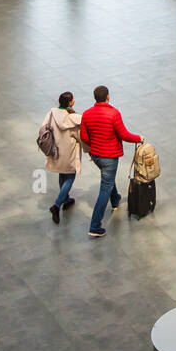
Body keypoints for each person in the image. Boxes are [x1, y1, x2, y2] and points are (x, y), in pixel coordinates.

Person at [78, 85, 144, 238]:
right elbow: (124, 135)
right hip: (109, 156)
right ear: (108, 96)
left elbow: (84, 137)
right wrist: (139, 138)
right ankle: (95, 226)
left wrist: (95, 144)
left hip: (96, 155)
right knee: (104, 189)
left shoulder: (87, 114)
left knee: (107, 179)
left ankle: (115, 200)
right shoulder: (114, 114)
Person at [43, 92, 82, 225]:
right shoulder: (73, 118)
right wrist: (88, 149)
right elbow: (79, 136)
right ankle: (57, 205)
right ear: (70, 102)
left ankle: (66, 199)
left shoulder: (51, 113)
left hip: (56, 150)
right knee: (70, 177)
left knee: (62, 174)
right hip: (69, 152)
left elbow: (44, 126)